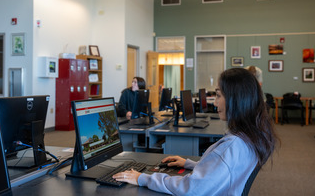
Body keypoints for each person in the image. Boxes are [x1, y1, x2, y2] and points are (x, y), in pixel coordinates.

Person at [113, 68, 277, 195]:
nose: (215, 103)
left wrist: (143, 178)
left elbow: (191, 189)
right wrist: (190, 163)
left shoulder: (231, 146)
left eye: (219, 96)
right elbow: (220, 169)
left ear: (236, 100)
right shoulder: (249, 135)